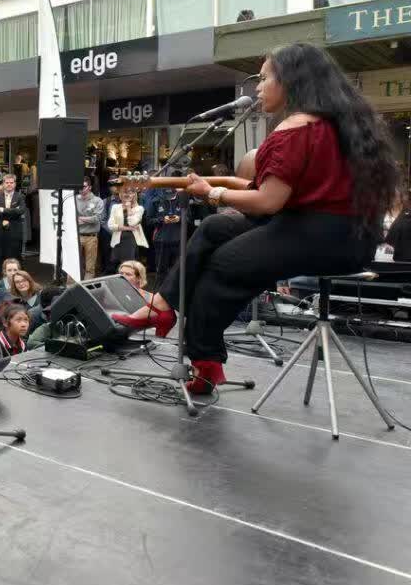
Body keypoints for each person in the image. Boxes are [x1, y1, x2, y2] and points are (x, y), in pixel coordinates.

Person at [115, 44, 402, 394]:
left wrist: (213, 194)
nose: (258, 88)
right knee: (215, 226)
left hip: (314, 237)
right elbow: (275, 191)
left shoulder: (294, 129)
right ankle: (162, 306)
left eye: (265, 78)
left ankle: (204, 360)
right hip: (349, 241)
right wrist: (216, 187)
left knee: (219, 265)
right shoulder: (340, 126)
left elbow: (267, 201)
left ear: (290, 81)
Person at [0, 174, 27, 281]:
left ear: (15, 184)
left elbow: (21, 211)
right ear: (3, 184)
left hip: (14, 233)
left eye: (11, 182)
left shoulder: (20, 196)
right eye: (7, 182)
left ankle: (16, 282)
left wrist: (3, 210)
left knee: (14, 258)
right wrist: (13, 211)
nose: (9, 184)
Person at [107, 188, 147, 276]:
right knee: (118, 266)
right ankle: (120, 283)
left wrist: (128, 207)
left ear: (134, 195)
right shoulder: (115, 207)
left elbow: (132, 222)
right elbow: (110, 225)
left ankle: (129, 283)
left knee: (129, 266)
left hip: (131, 240)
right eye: (125, 192)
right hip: (118, 240)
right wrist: (127, 228)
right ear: (120, 194)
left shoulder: (139, 208)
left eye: (130, 192)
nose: (127, 195)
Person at [75, 178, 105, 278]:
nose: (81, 189)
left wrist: (80, 219)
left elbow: (97, 218)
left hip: (91, 236)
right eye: (79, 186)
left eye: (83, 186)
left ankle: (87, 286)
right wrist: (88, 219)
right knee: (74, 265)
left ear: (90, 187)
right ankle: (71, 286)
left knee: (90, 267)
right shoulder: (74, 199)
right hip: (76, 235)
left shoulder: (97, 200)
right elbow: (70, 215)